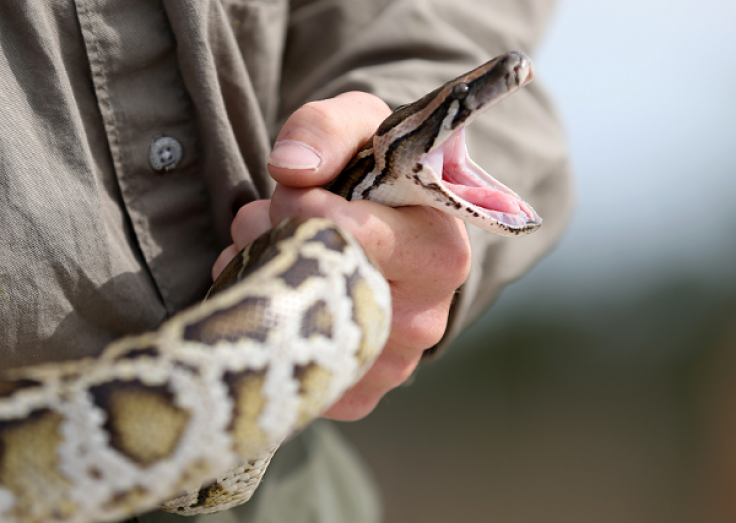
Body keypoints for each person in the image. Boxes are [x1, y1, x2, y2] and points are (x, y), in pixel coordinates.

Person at [0, 0, 572, 521]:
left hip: (291, 493)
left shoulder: (384, 172)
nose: (487, 93)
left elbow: (446, 24)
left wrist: (414, 256)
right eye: (461, 104)